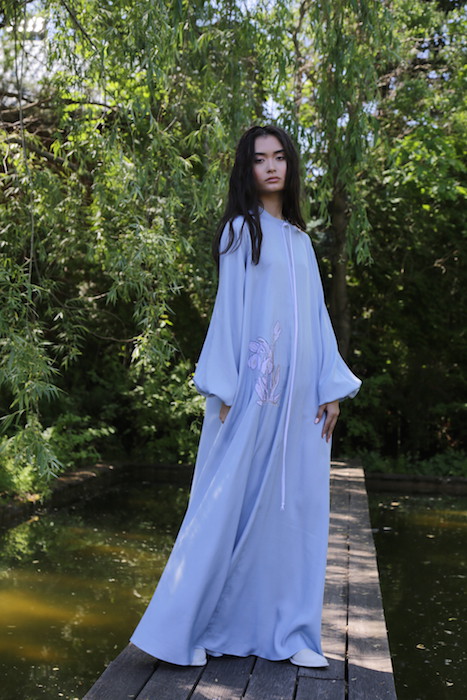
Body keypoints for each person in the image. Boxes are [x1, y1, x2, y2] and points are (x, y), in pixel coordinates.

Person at [130, 124, 361, 669]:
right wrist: (226, 387)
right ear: (247, 168)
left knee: (294, 507)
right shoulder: (241, 231)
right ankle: (191, 629)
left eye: (279, 157)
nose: (271, 167)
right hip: (253, 393)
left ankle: (292, 634)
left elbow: (318, 319)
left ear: (290, 166)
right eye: (260, 159)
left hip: (302, 402)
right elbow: (228, 310)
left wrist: (330, 387)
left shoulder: (301, 241)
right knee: (225, 503)